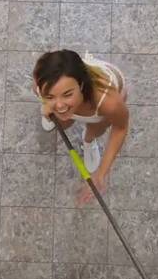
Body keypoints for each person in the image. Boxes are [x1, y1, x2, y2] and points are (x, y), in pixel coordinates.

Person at [32, 50, 129, 205]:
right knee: (63, 122)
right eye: (50, 96)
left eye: (67, 94)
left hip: (99, 108)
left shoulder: (108, 102)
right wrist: (48, 107)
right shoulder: (40, 82)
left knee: (95, 129)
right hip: (77, 105)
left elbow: (120, 128)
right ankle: (52, 113)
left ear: (81, 85)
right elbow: (43, 91)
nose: (59, 105)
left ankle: (88, 141)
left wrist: (100, 174)